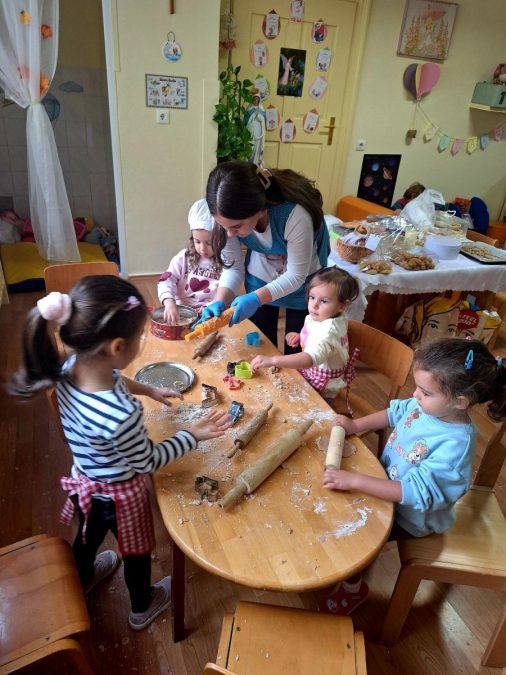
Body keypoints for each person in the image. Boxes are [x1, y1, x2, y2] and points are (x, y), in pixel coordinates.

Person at [9, 276, 232, 631]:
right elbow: (147, 462)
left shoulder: (68, 367)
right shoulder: (119, 414)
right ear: (116, 347)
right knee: (135, 551)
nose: (141, 342)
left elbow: (114, 377)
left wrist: (148, 389)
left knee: (87, 539)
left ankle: (83, 580)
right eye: (139, 337)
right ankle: (142, 605)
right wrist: (192, 435)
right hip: (120, 496)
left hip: (84, 480)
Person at [319, 337, 506, 615]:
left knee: (363, 535)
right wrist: (355, 425)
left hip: (411, 516)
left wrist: (355, 480)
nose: (416, 396)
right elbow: (395, 413)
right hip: (389, 483)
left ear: (460, 401)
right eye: (417, 388)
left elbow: (416, 493)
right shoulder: (426, 405)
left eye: (425, 392)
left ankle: (354, 587)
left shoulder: (455, 446)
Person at [199, 160, 330, 355]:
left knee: (299, 347)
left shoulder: (295, 216)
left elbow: (296, 276)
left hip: (305, 280)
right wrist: (220, 300)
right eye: (224, 226)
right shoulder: (225, 217)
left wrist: (255, 298)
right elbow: (233, 268)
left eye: (236, 227)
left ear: (261, 209)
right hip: (262, 271)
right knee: (261, 344)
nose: (230, 234)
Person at [250, 267, 359, 405]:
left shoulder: (329, 332)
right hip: (313, 370)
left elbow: (310, 358)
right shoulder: (326, 316)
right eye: (312, 297)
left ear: (343, 306)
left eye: (324, 301)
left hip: (323, 384)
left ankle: (327, 406)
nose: (314, 305)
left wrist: (273, 360)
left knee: (311, 406)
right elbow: (317, 338)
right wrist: (301, 336)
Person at [157, 199, 222, 324]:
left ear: (221, 240)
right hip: (181, 310)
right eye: (197, 241)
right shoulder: (183, 257)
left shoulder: (226, 264)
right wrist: (169, 302)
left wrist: (209, 308)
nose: (202, 248)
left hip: (210, 312)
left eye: (209, 243)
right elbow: (166, 280)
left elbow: (225, 293)